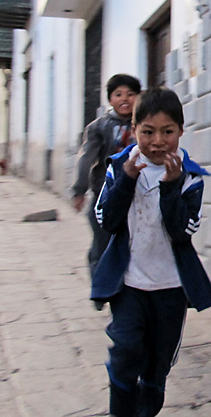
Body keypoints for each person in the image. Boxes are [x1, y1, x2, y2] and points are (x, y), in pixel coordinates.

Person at [91, 87, 211, 417]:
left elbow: (182, 231)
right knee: (126, 352)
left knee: (156, 368)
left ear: (180, 131)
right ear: (134, 130)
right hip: (129, 284)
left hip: (170, 290)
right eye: (147, 132)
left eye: (167, 132)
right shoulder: (119, 167)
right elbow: (107, 219)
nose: (157, 141)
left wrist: (171, 187)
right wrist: (128, 180)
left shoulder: (190, 177)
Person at [71, 73, 141, 279]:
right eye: (118, 94)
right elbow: (86, 158)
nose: (125, 99)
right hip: (106, 195)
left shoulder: (146, 125)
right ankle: (100, 284)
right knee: (103, 244)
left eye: (130, 94)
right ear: (110, 99)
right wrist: (79, 190)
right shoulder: (99, 127)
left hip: (137, 195)